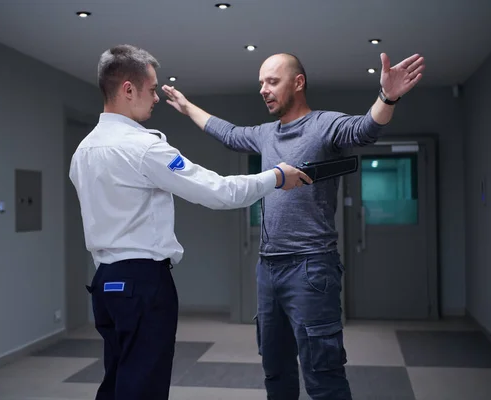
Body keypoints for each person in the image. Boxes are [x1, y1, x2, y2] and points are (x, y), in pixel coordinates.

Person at [162, 51, 425, 399]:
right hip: (268, 269)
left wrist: (387, 96)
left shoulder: (324, 125)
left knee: (323, 377)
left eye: (272, 81)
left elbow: (366, 129)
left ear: (298, 83)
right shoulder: (265, 134)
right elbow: (228, 133)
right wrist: (187, 106)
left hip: (311, 267)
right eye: (261, 84)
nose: (264, 90)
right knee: (276, 372)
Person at [68, 44, 312, 400]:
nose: (155, 98)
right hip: (143, 283)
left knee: (118, 378)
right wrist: (275, 176)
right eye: (152, 90)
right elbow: (219, 191)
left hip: (105, 283)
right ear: (128, 89)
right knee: (143, 387)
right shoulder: (144, 148)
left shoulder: (83, 151)